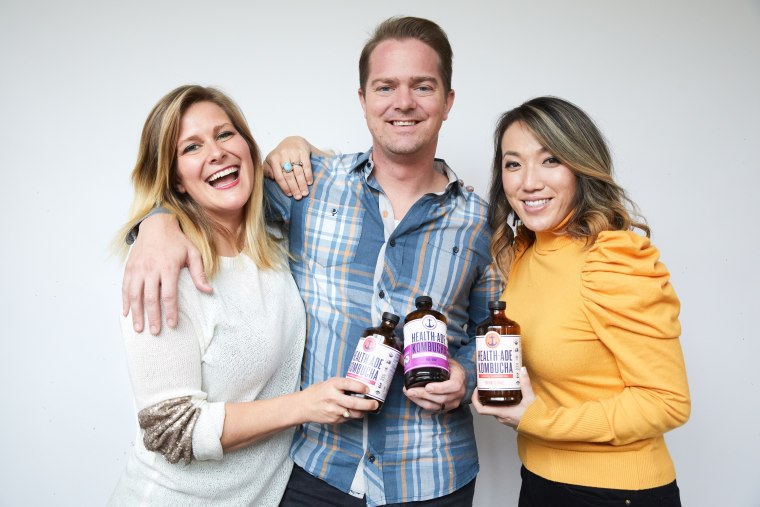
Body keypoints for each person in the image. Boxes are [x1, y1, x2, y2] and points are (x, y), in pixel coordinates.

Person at [122, 17, 501, 506]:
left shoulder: (480, 220)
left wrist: (466, 374)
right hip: (316, 476)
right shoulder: (308, 187)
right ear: (362, 100)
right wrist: (156, 223)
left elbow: (493, 328)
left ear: (447, 101)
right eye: (385, 86)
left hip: (433, 476)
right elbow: (213, 192)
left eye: (422, 86)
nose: (403, 102)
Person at [111, 85, 377, 506]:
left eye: (225, 134)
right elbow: (169, 429)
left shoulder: (276, 238)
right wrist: (306, 405)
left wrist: (296, 144)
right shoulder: (166, 271)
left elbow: (343, 181)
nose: (216, 152)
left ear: (249, 149)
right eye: (191, 147)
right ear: (175, 180)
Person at [471, 96, 691, 506]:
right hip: (539, 481)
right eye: (513, 163)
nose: (528, 182)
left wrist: (540, 420)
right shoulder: (521, 253)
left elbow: (667, 403)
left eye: (550, 160)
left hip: (614, 492)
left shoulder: (612, 260)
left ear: (581, 167)